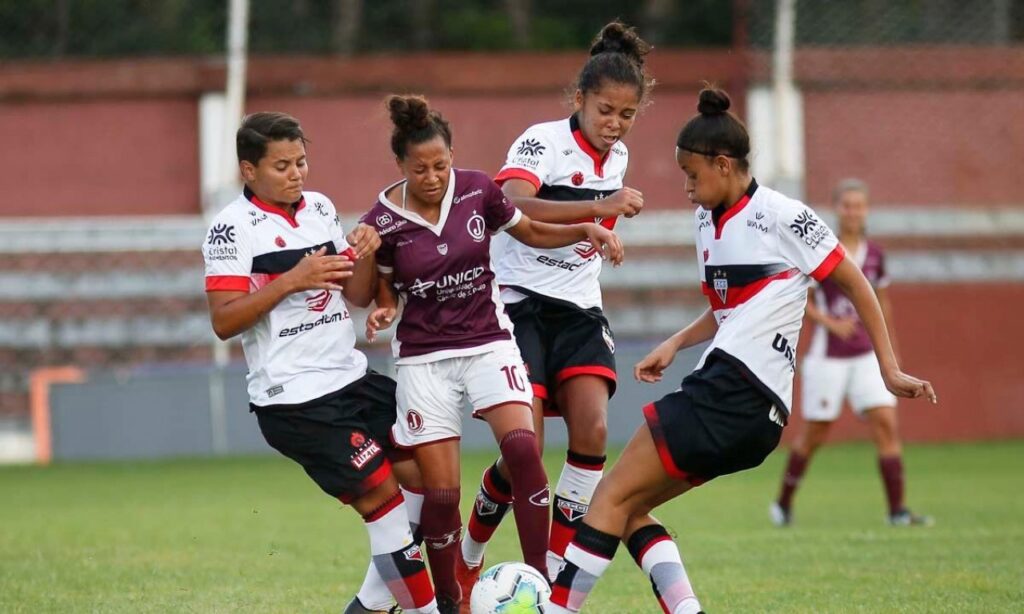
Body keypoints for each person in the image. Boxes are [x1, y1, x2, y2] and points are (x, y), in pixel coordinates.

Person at [545, 87, 938, 614]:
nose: (685, 187)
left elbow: (854, 280)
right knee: (631, 507)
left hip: (732, 390)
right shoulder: (707, 221)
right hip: (756, 419)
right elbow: (730, 307)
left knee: (608, 497)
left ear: (724, 165)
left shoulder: (783, 216)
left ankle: (553, 608)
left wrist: (887, 367)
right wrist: (677, 341)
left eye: (692, 174)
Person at [361, 94, 624, 612]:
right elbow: (383, 290)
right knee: (440, 497)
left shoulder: (479, 191)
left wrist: (585, 227)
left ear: (452, 156)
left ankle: (542, 586)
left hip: (487, 339)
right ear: (400, 166)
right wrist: (383, 308)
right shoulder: (384, 221)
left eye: (441, 164)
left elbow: (531, 231)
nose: (433, 176)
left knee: (524, 449)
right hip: (424, 358)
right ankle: (448, 602)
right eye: (421, 169)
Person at [202, 112, 437, 614]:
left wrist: (366, 253)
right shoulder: (230, 229)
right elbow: (224, 322)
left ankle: (371, 606)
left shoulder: (320, 210)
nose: (296, 173)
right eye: (282, 165)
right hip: (295, 399)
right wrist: (291, 279)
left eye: (301, 161)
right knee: (387, 509)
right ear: (249, 171)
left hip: (351, 378)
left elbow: (352, 293)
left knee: (430, 476)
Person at [460, 20, 652, 592]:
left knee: (593, 429)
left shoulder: (616, 160)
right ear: (579, 100)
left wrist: (596, 224)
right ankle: (470, 555)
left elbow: (586, 225)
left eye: (627, 114)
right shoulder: (542, 140)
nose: (614, 124)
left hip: (578, 307)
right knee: (527, 450)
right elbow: (510, 202)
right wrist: (598, 212)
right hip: (517, 302)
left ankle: (553, 576)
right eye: (605, 110)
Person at [770, 179, 932, 527]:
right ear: (837, 209)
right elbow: (804, 299)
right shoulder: (822, 249)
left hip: (866, 358)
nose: (853, 212)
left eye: (859, 205)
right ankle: (782, 504)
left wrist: (892, 354)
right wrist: (829, 322)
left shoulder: (874, 255)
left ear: (866, 210)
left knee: (886, 424)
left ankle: (898, 511)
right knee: (816, 432)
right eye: (847, 205)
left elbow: (882, 303)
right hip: (827, 357)